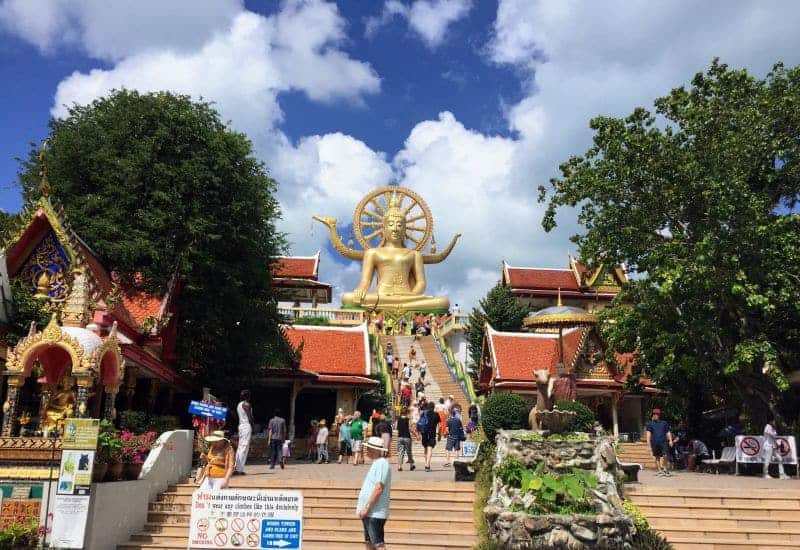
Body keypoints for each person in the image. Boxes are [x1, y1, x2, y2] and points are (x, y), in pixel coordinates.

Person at [356, 437, 392, 550]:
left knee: (378, 543)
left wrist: (367, 507)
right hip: (371, 513)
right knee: (370, 542)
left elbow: (379, 487)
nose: (367, 450)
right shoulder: (377, 463)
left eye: (369, 448)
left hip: (374, 512)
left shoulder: (381, 463)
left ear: (375, 450)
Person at [646, 408, 673, 477]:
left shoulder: (664, 423)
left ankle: (665, 469)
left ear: (659, 415)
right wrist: (648, 445)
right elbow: (648, 434)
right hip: (655, 443)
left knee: (665, 455)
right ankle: (659, 470)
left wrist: (670, 440)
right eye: (654, 414)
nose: (655, 415)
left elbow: (668, 432)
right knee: (657, 457)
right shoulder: (650, 424)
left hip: (663, 442)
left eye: (657, 414)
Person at [234, 390, 254, 475]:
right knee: (244, 447)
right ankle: (239, 469)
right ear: (248, 396)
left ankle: (237, 467)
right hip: (246, 426)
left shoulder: (239, 404)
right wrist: (253, 425)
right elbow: (250, 417)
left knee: (240, 447)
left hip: (241, 426)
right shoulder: (246, 404)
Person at [418, 402, 441, 472]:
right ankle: (427, 465)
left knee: (425, 448)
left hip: (424, 433)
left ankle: (426, 464)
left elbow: (420, 423)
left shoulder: (423, 413)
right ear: (434, 407)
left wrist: (419, 433)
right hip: (432, 433)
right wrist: (439, 434)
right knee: (430, 449)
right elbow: (439, 426)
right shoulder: (436, 414)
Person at [396, 407, 416, 472]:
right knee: (409, 451)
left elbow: (397, 428)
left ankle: (400, 466)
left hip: (400, 437)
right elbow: (410, 428)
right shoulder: (408, 419)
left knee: (400, 452)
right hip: (407, 437)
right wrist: (416, 434)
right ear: (407, 412)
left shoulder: (398, 419)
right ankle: (411, 465)